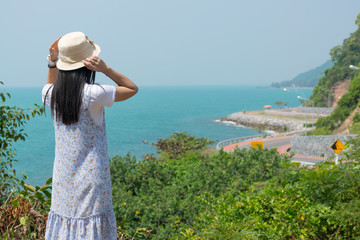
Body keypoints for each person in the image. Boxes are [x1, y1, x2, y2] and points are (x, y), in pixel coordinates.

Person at [42, 32, 138, 239]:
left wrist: (52, 61)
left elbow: (51, 84)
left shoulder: (49, 94)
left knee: (65, 225)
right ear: (88, 63)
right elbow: (131, 88)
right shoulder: (94, 94)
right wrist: (106, 69)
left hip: (63, 178)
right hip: (92, 178)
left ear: (64, 64)